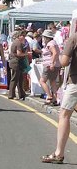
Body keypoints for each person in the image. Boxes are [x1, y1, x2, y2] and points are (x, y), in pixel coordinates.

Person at [41, 32, 77, 164]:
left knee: (64, 115)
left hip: (75, 82)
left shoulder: (73, 38)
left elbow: (64, 62)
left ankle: (59, 153)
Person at [40, 29, 61, 105]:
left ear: (46, 37)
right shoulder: (54, 43)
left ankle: (49, 96)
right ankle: (55, 99)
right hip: (56, 64)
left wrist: (52, 63)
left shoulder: (50, 44)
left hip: (49, 65)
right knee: (53, 82)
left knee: (42, 81)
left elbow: (55, 53)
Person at [8, 30, 27, 101]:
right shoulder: (18, 43)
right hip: (16, 62)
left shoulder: (15, 42)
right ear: (20, 36)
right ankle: (11, 94)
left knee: (19, 79)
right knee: (15, 78)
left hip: (15, 62)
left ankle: (21, 93)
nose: (24, 38)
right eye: (23, 36)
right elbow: (19, 54)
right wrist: (26, 54)